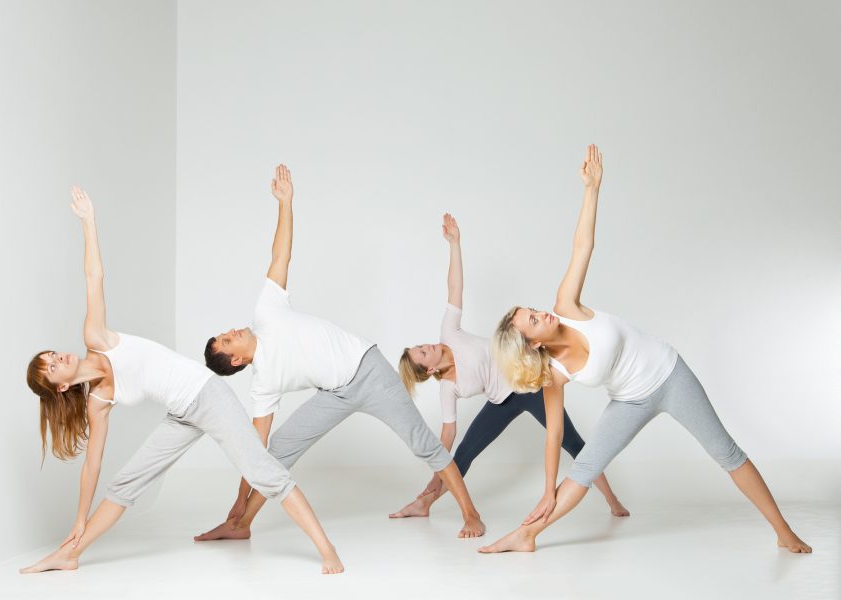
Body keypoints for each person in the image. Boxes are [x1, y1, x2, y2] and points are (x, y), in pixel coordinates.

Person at [478, 145, 811, 554]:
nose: (542, 313)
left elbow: (583, 246)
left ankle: (783, 530)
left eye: (533, 310)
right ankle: (526, 534)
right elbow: (555, 435)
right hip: (630, 401)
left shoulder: (568, 306)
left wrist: (592, 190)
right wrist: (547, 490)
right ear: (531, 344)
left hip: (670, 376)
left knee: (726, 452)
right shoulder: (555, 373)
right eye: (533, 320)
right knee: (583, 469)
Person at [21, 185, 344, 574]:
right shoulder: (98, 401)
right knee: (125, 484)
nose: (59, 358)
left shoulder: (96, 338)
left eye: (52, 355)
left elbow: (94, 276)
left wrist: (89, 222)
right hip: (182, 413)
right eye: (53, 366)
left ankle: (327, 550)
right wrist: (79, 518)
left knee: (264, 473)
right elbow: (93, 464)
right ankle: (71, 554)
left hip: (207, 394)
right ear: (60, 387)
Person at [194, 165, 485, 542]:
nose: (231, 332)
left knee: (423, 443)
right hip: (334, 393)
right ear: (236, 360)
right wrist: (238, 497)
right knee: (279, 449)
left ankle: (471, 513)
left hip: (369, 370)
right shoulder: (263, 382)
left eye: (224, 333)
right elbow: (256, 448)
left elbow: (280, 255)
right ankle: (241, 523)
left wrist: (286, 203)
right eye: (227, 341)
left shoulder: (265, 311)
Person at [391, 213, 629, 519]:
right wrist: (431, 481)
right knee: (463, 453)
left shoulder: (449, 332)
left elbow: (454, 289)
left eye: (422, 346)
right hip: (500, 402)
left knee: (572, 442)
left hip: (529, 386)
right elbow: (446, 439)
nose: (427, 346)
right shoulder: (449, 388)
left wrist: (454, 245)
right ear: (431, 371)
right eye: (423, 353)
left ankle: (612, 500)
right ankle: (424, 503)